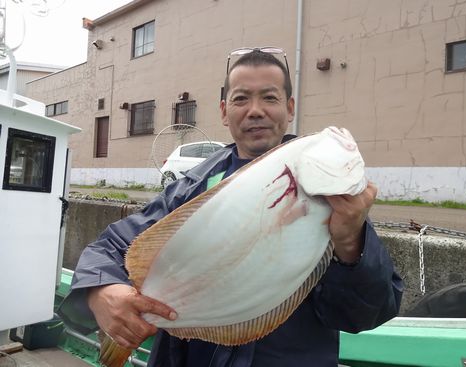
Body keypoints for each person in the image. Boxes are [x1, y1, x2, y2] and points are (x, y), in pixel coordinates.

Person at [59, 47, 404, 367]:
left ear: (290, 107)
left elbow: (365, 314)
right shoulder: (190, 189)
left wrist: (349, 244)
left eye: (270, 97)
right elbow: (112, 247)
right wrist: (100, 292)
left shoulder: (337, 202)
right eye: (241, 98)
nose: (256, 110)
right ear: (224, 111)